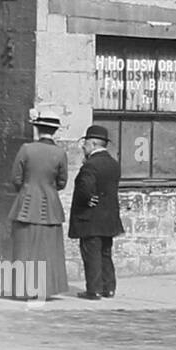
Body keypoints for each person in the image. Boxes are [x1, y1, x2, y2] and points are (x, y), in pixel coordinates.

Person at [5, 115, 70, 299]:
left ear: (37, 129)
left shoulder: (26, 149)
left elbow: (15, 178)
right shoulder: (60, 153)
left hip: (25, 204)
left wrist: (28, 189)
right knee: (48, 249)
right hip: (50, 206)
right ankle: (46, 289)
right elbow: (62, 182)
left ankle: (23, 289)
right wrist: (48, 189)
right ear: (55, 132)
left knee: (24, 248)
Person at [69, 124, 124, 300]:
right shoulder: (113, 164)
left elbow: (85, 187)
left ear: (92, 144)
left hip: (90, 218)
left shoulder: (90, 165)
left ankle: (94, 290)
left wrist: (87, 198)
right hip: (109, 218)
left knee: (91, 254)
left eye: (85, 144)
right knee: (106, 253)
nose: (83, 148)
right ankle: (109, 288)